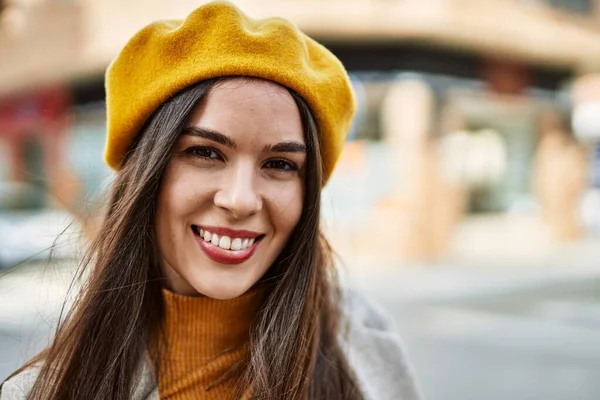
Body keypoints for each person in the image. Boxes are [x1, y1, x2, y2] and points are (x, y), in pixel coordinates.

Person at [0, 2, 421, 399]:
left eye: (280, 164)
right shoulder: (42, 390)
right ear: (146, 174)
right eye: (205, 153)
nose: (240, 200)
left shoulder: (364, 346)